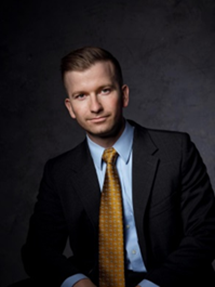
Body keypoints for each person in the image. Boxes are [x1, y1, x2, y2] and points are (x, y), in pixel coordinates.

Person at [21, 46, 215, 287]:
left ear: (123, 95)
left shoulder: (176, 151)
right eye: (81, 95)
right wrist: (76, 282)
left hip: (166, 281)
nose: (95, 107)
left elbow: (206, 233)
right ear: (70, 107)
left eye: (104, 90)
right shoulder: (59, 171)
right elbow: (38, 250)